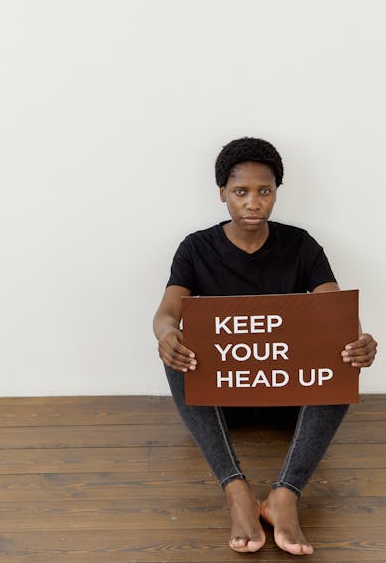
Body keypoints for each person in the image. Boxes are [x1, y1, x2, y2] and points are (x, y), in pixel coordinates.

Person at [153, 137, 377, 556]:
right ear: (222, 193)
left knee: (343, 349)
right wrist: (168, 335)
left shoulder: (301, 244)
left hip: (290, 397)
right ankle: (236, 490)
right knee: (175, 351)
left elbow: (336, 310)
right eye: (241, 192)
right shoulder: (197, 247)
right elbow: (166, 313)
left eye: (264, 191)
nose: (253, 203)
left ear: (276, 193)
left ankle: (285, 495)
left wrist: (357, 339)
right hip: (223, 399)